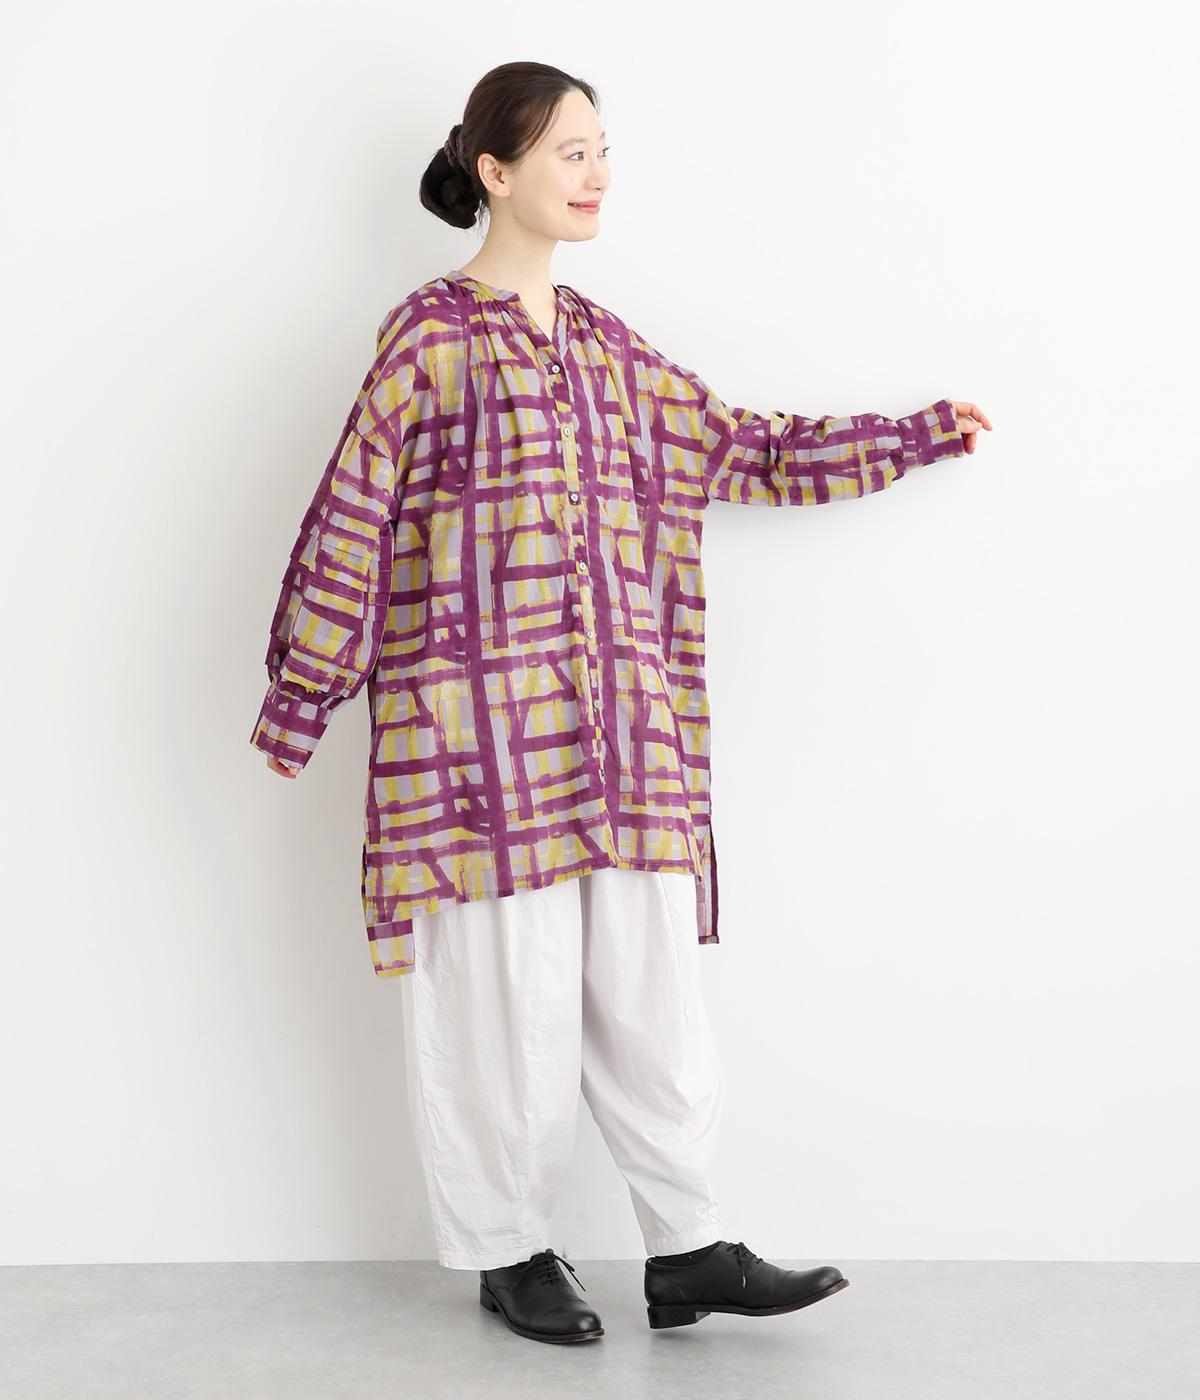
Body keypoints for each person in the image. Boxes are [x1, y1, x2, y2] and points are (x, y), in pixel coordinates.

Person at [250, 60, 992, 1346]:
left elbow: (742, 445)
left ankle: (687, 1247)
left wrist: (913, 434)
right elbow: (353, 515)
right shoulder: (429, 336)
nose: (597, 175)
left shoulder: (607, 348)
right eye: (570, 152)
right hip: (477, 753)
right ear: (496, 172)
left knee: (653, 1005)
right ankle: (510, 1250)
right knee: (506, 1009)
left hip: (626, 748)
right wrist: (302, 694)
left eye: (603, 150)